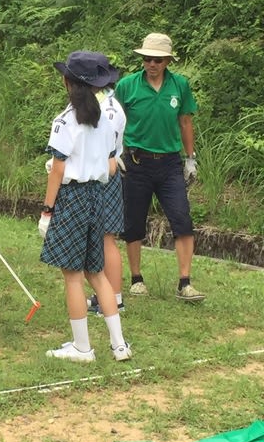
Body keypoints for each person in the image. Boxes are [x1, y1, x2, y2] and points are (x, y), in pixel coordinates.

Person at [39, 51, 131, 363]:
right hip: (98, 195)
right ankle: (119, 346)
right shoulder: (104, 121)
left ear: (68, 82)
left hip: (73, 198)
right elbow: (112, 165)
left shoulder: (65, 121)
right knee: (97, 273)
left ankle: (82, 347)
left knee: (73, 276)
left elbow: (58, 170)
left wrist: (47, 210)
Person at [115, 32, 203, 301]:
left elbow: (185, 122)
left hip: (169, 164)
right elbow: (114, 121)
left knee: (182, 219)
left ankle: (185, 282)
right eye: (147, 59)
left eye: (157, 60)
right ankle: (136, 278)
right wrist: (115, 153)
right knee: (133, 221)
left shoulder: (179, 85)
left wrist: (190, 158)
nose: (151, 64)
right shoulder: (127, 85)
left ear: (167, 61)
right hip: (136, 162)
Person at [87, 59, 127, 316]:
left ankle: (114, 297)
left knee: (106, 238)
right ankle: (106, 295)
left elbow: (107, 148)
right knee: (101, 238)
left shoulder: (109, 108)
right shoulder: (99, 103)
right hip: (98, 173)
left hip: (105, 174)